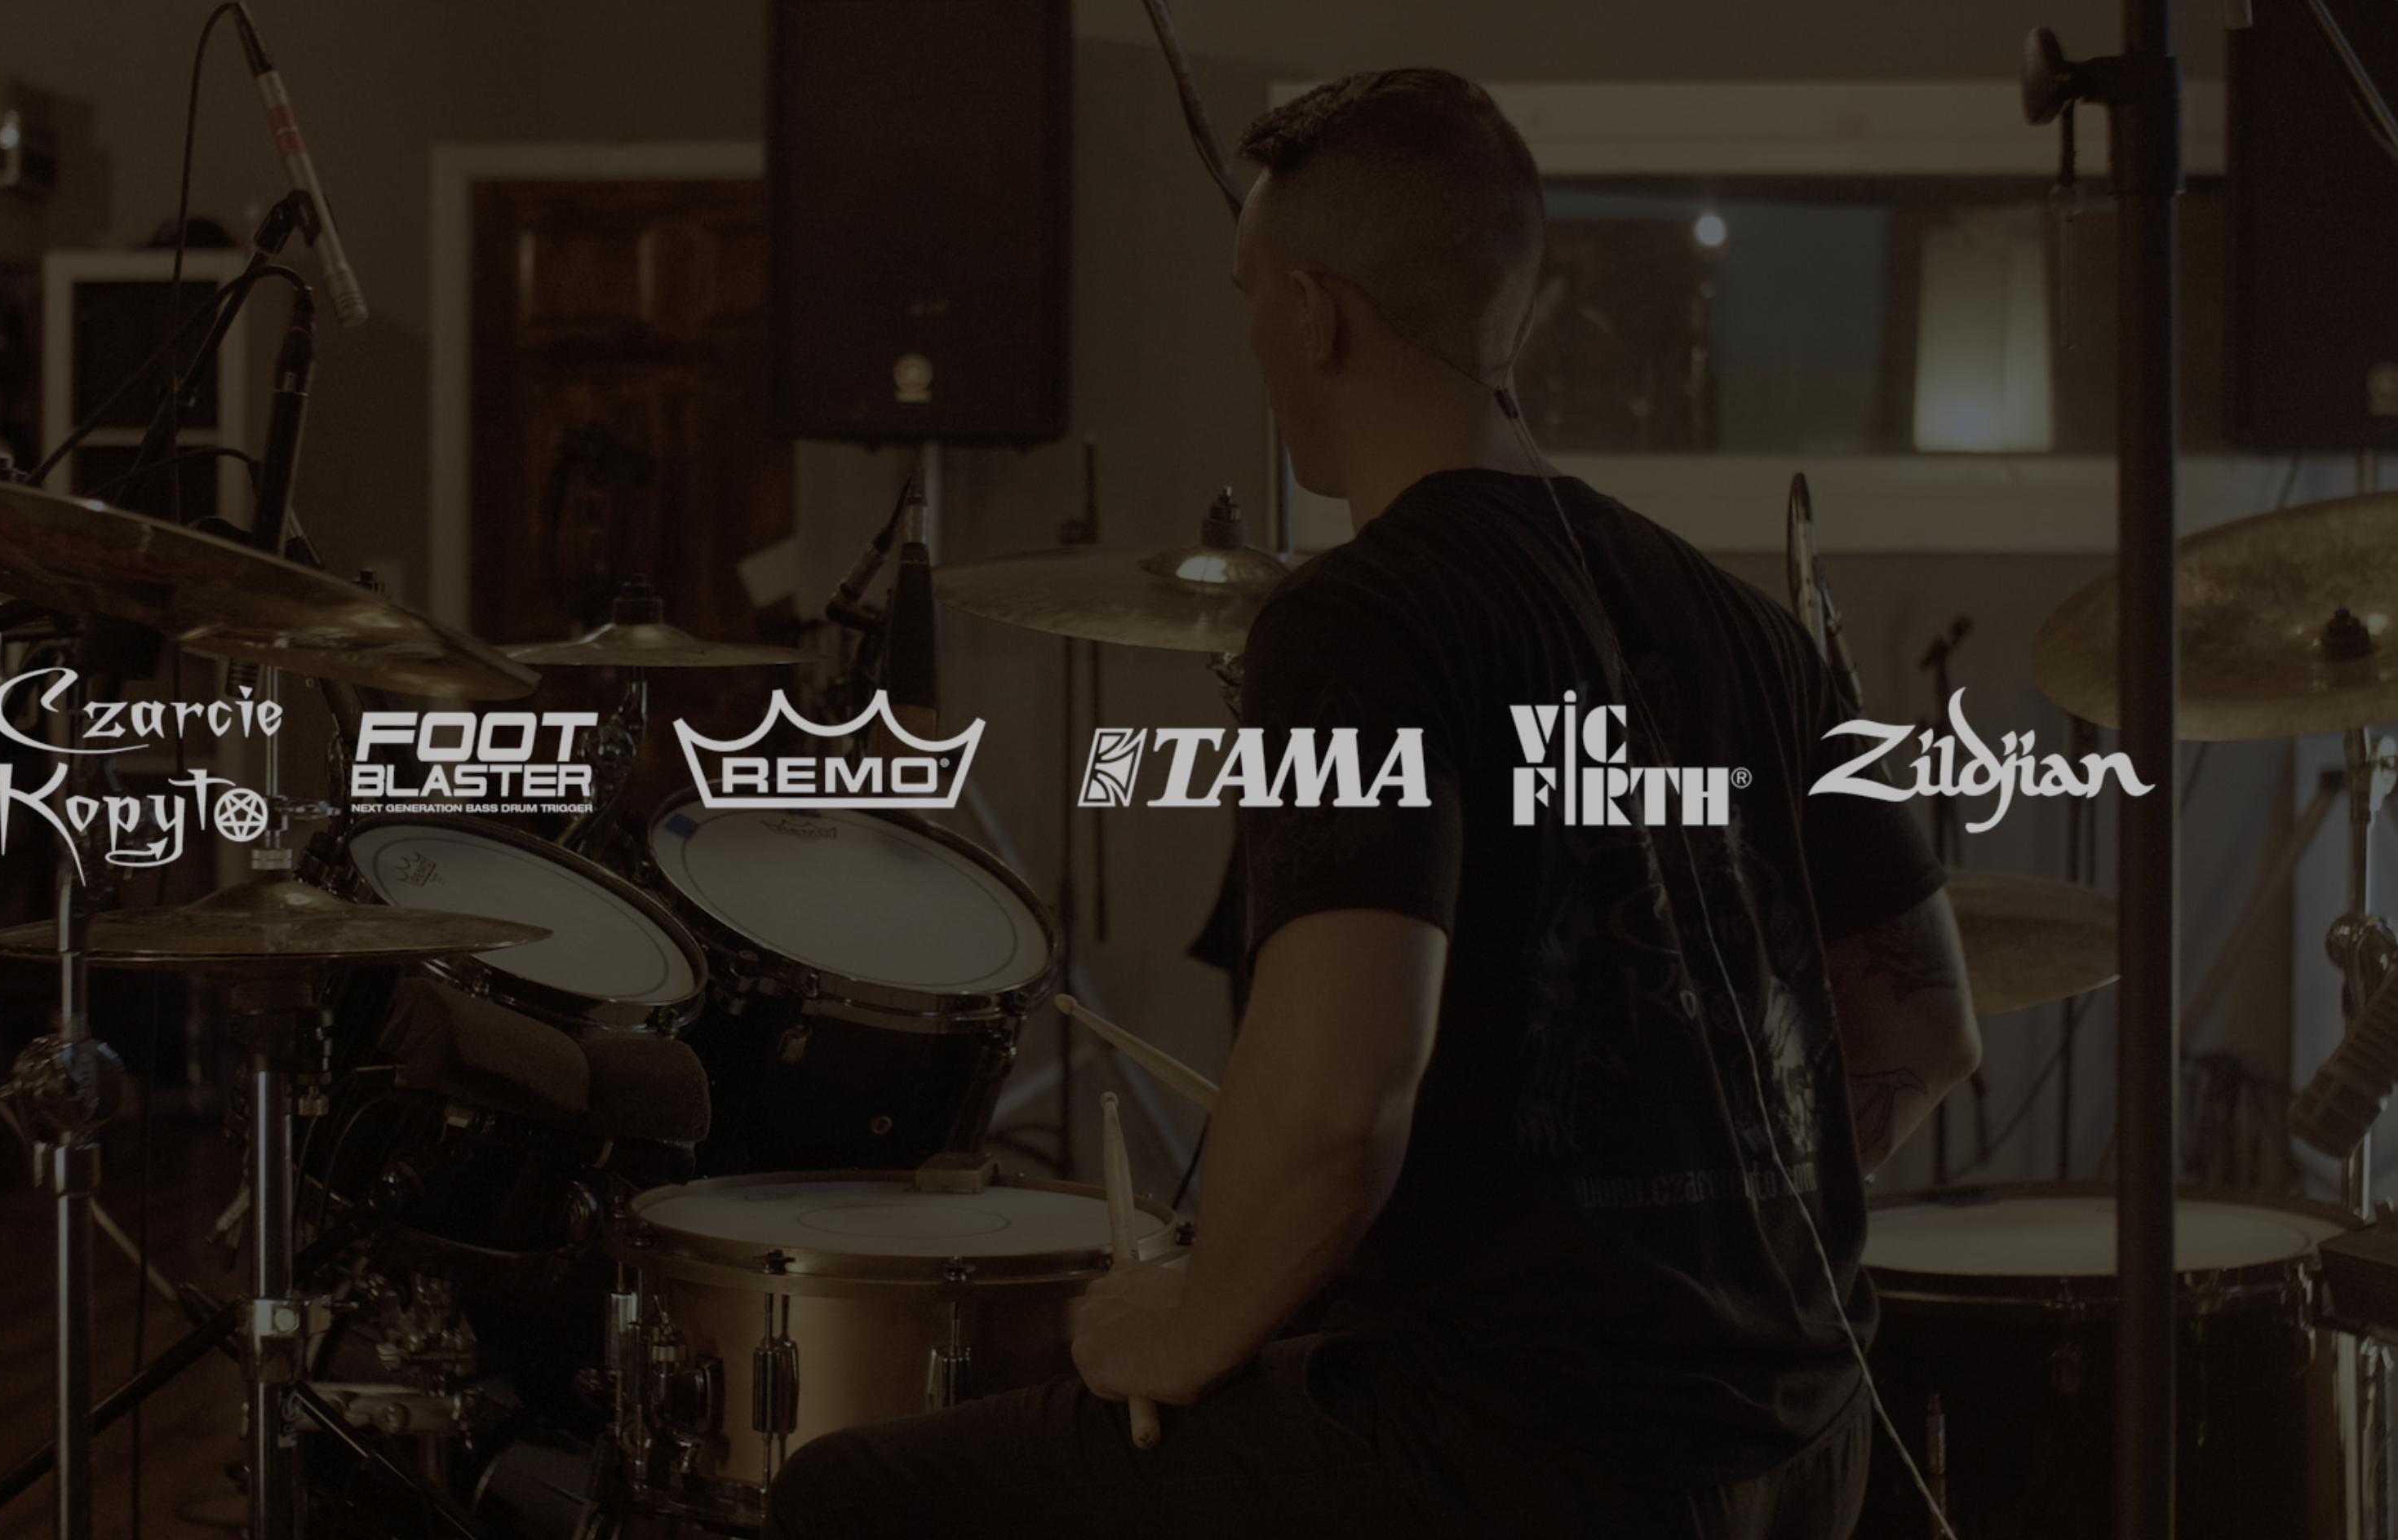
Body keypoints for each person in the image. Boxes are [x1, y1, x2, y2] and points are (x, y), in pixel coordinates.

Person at [761, 68, 1982, 1540]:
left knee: (852, 1495)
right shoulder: (1745, 627)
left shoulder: (1360, 621)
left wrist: (1180, 1324)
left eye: (1246, 294)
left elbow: (1344, 1106)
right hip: (1806, 1447)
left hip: (1517, 1462)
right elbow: (1927, 1027)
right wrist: (1695, 1251)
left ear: (1312, 316)